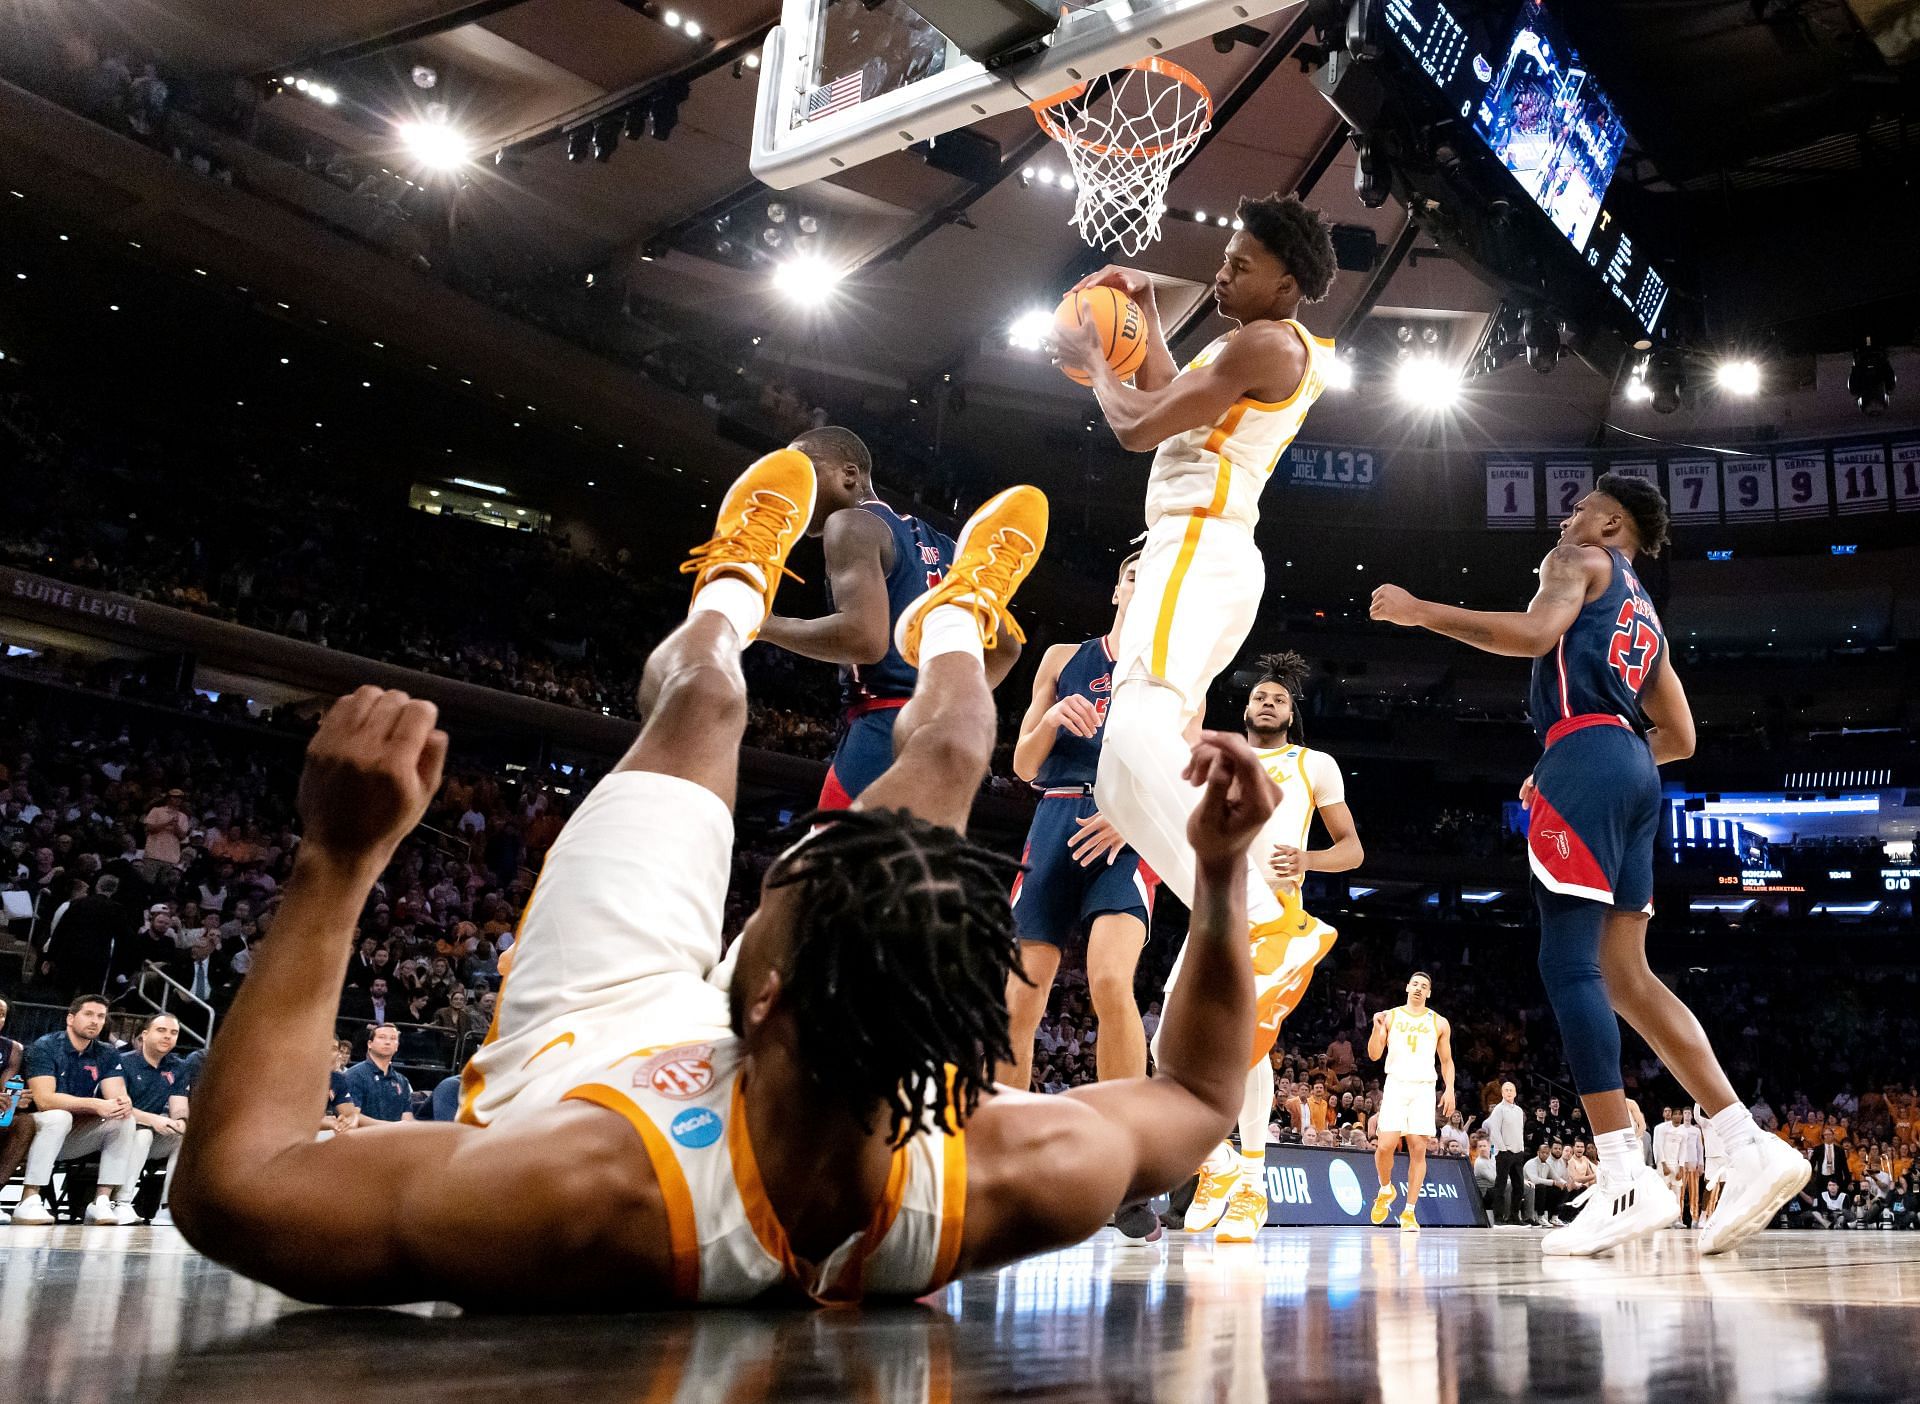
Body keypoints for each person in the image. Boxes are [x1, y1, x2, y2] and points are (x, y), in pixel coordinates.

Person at [173, 454, 1278, 1308]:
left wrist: (336, 861)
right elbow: (1196, 1096)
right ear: (952, 1062)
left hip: (600, 1028)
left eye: (775, 901)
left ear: (755, 993)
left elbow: (237, 1187)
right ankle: (953, 618)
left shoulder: (579, 1191)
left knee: (704, 704)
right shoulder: (1004, 1166)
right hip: (815, 1062)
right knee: (944, 759)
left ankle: (731, 590)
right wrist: (1219, 880)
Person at [1370, 474, 1808, 1255]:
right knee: (1629, 976)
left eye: (1579, 508)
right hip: (1637, 770)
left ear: (1610, 522)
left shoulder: (1576, 555)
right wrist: (1610, 755)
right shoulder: (1646, 613)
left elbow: (1534, 636)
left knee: (1569, 964)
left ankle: (1621, 1177)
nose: (1566, 517)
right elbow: (1681, 736)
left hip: (1586, 754)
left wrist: (1420, 612)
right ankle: (1746, 1143)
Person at [1053, 197, 1344, 1092]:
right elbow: (1180, 410)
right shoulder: (1256, 347)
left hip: (1197, 540)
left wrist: (1099, 359)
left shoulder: (1269, 344)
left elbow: (1140, 426)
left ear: (1286, 285)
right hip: (1205, 549)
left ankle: (1262, 914)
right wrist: (1145, 327)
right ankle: (1243, 922)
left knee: (1137, 730)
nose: (1222, 272)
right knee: (1114, 773)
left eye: (1240, 263)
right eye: (1224, 257)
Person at [1179, 651, 1363, 1243]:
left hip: (1274, 917)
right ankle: (1215, 1163)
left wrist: (1309, 859)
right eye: (1261, 695)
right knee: (1168, 1043)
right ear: (1246, 705)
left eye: (1279, 698)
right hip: (1210, 909)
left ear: (1291, 712)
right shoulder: (1218, 758)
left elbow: (1353, 850)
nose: (1268, 702)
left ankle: (1253, 1179)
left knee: (1250, 1046)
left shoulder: (1315, 765)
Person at [757, 426, 1018, 809]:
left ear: (850, 474)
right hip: (947, 734)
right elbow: (1008, 646)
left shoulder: (849, 523)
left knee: (829, 866)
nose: (791, 484)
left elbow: (864, 638)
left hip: (884, 732)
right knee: (909, 866)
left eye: (803, 468)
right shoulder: (949, 547)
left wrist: (765, 625)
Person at [1001, 553, 1155, 1100]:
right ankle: (1007, 1140)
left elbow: (1179, 779)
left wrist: (1130, 816)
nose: (1144, 583)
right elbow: (1022, 764)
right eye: (1136, 574)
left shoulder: (1176, 679)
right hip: (1055, 815)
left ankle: (1129, 1150)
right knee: (1020, 997)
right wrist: (1048, 719)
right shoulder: (1064, 658)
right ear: (1117, 590)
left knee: (1111, 980)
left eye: (1157, 576)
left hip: (1128, 830)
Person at [12, 994, 143, 1224]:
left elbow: (116, 1096)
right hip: (34, 1132)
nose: (95, 1021)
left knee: (124, 1119)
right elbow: (44, 1100)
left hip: (74, 1135)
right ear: (70, 1019)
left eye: (101, 1016)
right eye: (89, 1014)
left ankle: (102, 1201)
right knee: (58, 1117)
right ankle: (29, 1199)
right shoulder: (45, 1046)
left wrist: (122, 1103)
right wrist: (95, 1104)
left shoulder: (107, 1053)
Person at [1365, 973, 1455, 1232]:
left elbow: (1446, 1061)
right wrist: (1375, 1027)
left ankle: (1409, 1212)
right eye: (1415, 984)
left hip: (1424, 1089)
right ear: (1407, 987)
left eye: (1424, 986)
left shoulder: (1439, 1022)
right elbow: (1373, 1055)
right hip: (1396, 1084)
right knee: (1385, 1146)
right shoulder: (1390, 1016)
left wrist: (1449, 1089)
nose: (1418, 988)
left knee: (1418, 1147)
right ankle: (1385, 1189)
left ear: (1429, 993)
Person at [114, 1012, 191, 1224]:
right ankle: (122, 1203)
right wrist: (153, 1120)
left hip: (152, 1132)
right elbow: (117, 1105)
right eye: (161, 1030)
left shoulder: (178, 1066)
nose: (168, 1036)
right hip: (118, 1131)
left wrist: (180, 1122)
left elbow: (179, 1105)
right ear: (144, 1035)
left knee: (183, 1139)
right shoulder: (123, 1062)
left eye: (173, 1032)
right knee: (143, 1135)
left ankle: (167, 1208)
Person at [341, 1025, 415, 1124]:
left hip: (395, 1137)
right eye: (382, 1037)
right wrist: (391, 1127)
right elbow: (352, 1117)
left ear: (397, 1046)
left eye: (393, 1038)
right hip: (362, 1138)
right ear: (369, 1044)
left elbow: (407, 1119)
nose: (388, 1042)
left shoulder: (402, 1081)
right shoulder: (354, 1075)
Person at [1485, 1080, 1528, 1225]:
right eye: (1506, 1090)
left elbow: (1520, 1131)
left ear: (1515, 1093)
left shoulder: (1519, 1110)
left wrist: (1521, 1148)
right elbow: (1495, 1131)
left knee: (1519, 1187)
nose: (1509, 1092)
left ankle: (1514, 1216)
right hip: (1504, 1153)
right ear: (1502, 1093)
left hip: (1518, 1153)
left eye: (1511, 1090)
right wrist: (1502, 1149)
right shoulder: (1498, 1109)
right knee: (1501, 1186)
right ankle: (1498, 1218)